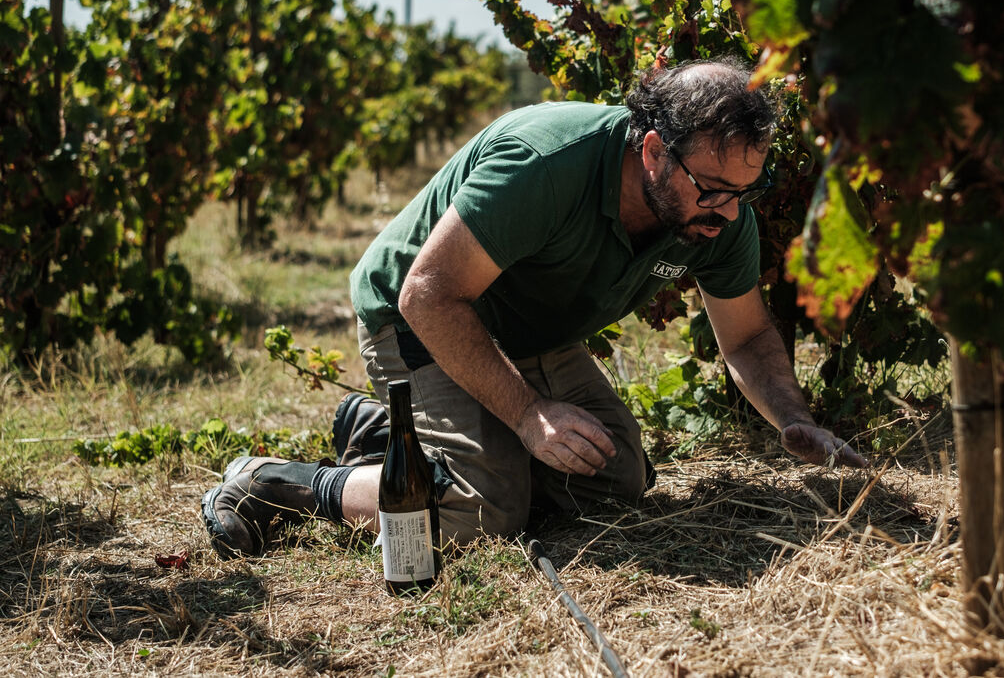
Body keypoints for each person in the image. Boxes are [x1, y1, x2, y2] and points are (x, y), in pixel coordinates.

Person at [201, 58, 868, 559]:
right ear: (653, 153)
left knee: (615, 478)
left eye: (744, 192)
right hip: (422, 315)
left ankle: (389, 434)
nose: (727, 211)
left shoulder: (718, 214)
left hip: (523, 328)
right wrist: (527, 414)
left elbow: (746, 337)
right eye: (712, 189)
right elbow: (427, 293)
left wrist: (794, 419)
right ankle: (277, 482)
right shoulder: (545, 163)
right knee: (481, 509)